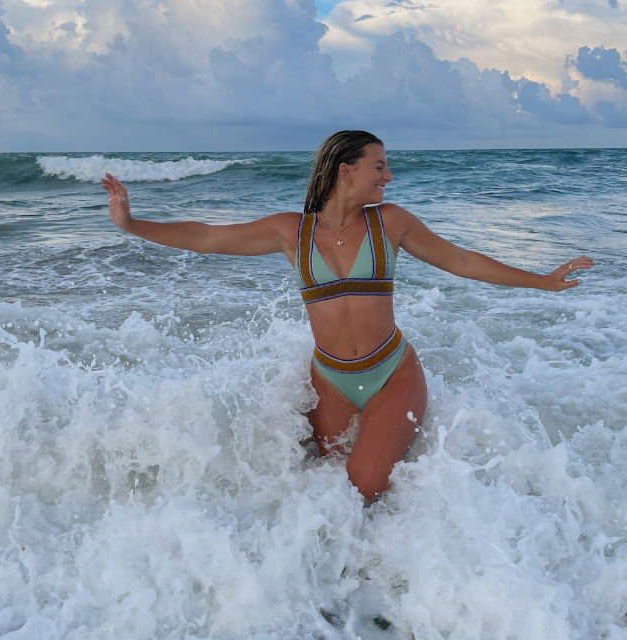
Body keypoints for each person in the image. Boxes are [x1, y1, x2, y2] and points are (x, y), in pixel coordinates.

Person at [101, 130, 595, 500]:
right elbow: (207, 237)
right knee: (326, 487)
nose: (388, 176)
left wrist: (541, 280)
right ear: (346, 171)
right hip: (330, 381)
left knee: (360, 487)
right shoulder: (290, 232)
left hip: (392, 374)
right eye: (379, 166)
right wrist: (132, 224)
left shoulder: (392, 223)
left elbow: (462, 261)